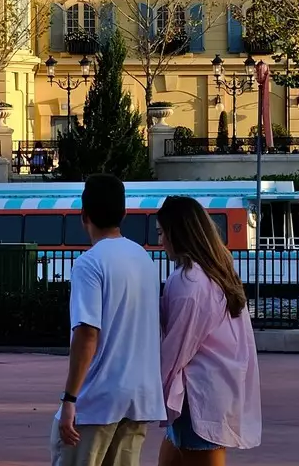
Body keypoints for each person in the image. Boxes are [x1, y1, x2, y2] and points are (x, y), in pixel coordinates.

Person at [55, 174, 164, 466]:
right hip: (139, 397)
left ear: (84, 215)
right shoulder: (144, 258)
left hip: (98, 400)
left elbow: (87, 333)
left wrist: (69, 398)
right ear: (124, 214)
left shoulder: (89, 263)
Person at [157, 195, 261, 463]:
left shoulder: (187, 282)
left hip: (196, 396)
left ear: (177, 234)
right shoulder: (218, 270)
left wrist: (152, 391)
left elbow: (176, 349)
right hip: (217, 390)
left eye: (162, 233)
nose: (160, 242)